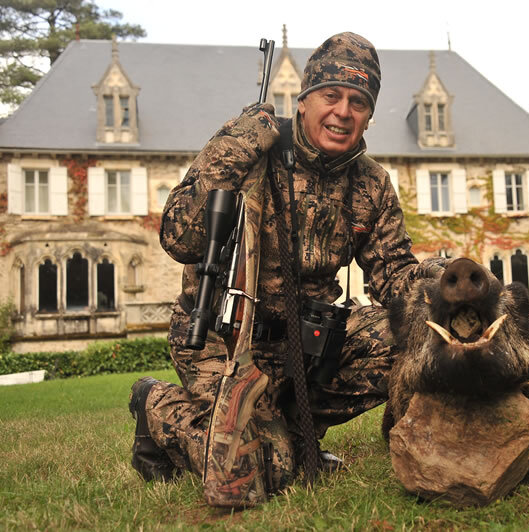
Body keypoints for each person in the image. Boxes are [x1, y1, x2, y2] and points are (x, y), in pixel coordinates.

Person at [128, 32, 445, 504]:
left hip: (306, 347)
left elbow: (393, 277)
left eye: (358, 101)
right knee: (263, 473)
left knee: (416, 341)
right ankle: (155, 404)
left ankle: (291, 433)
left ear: (369, 116)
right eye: (331, 95)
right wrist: (232, 146)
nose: (343, 111)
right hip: (227, 339)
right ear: (302, 101)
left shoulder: (372, 185)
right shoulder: (251, 152)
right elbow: (179, 238)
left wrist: (442, 279)